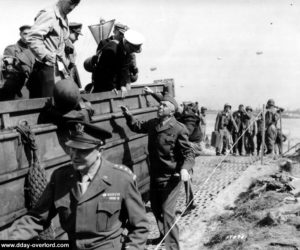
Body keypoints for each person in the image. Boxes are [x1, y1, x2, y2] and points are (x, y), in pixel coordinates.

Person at [9, 121, 149, 250]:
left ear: (100, 150)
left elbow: (140, 227)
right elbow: (36, 218)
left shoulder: (120, 178)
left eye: (82, 150)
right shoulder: (60, 177)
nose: (74, 155)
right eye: (72, 149)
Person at [121, 95, 195, 250]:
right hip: (155, 175)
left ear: (171, 111)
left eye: (163, 105)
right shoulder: (154, 123)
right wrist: (128, 116)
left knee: (168, 213)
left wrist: (184, 169)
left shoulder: (179, 128)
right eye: (159, 105)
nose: (159, 107)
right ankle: (163, 236)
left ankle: (173, 247)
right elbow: (137, 126)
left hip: (171, 178)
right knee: (155, 208)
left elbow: (189, 153)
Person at [26, 0, 80, 98]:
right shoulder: (49, 14)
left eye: (76, 5)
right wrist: (47, 56)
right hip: (47, 69)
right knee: (50, 104)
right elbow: (32, 38)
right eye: (71, 2)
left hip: (59, 69)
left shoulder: (63, 17)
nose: (72, 7)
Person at [90, 29, 144, 97]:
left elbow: (124, 69)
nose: (131, 52)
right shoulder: (111, 50)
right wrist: (111, 87)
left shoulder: (126, 51)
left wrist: (122, 85)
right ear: (127, 44)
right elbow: (104, 72)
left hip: (114, 82)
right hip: (103, 84)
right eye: (131, 49)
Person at [0, 25, 35, 100]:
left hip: (35, 88)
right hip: (20, 88)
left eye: (30, 34)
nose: (27, 36)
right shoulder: (11, 49)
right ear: (20, 34)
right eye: (25, 34)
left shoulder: (36, 50)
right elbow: (9, 71)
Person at [65, 22, 83, 88]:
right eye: (76, 35)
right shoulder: (68, 43)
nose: (77, 39)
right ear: (69, 31)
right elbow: (71, 63)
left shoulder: (68, 43)